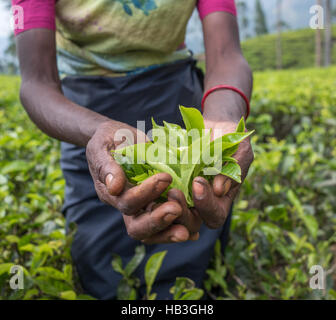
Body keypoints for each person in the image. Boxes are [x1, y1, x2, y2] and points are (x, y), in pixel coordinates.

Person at [12, 0, 254, 299]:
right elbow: (36, 83)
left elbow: (226, 54)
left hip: (176, 101)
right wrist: (95, 132)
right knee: (104, 272)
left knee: (194, 270)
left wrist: (223, 119)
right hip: (84, 114)